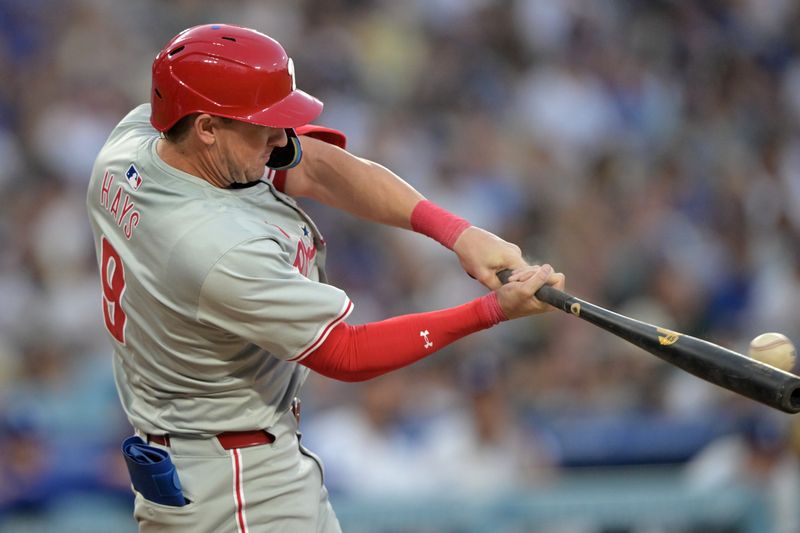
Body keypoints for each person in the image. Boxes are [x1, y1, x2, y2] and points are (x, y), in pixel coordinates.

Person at [85, 23, 565, 532]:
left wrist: (458, 234)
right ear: (206, 126)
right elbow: (346, 353)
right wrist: (491, 311)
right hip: (235, 485)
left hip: (223, 460)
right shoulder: (215, 247)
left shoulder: (134, 144)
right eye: (262, 122)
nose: (279, 135)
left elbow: (313, 166)